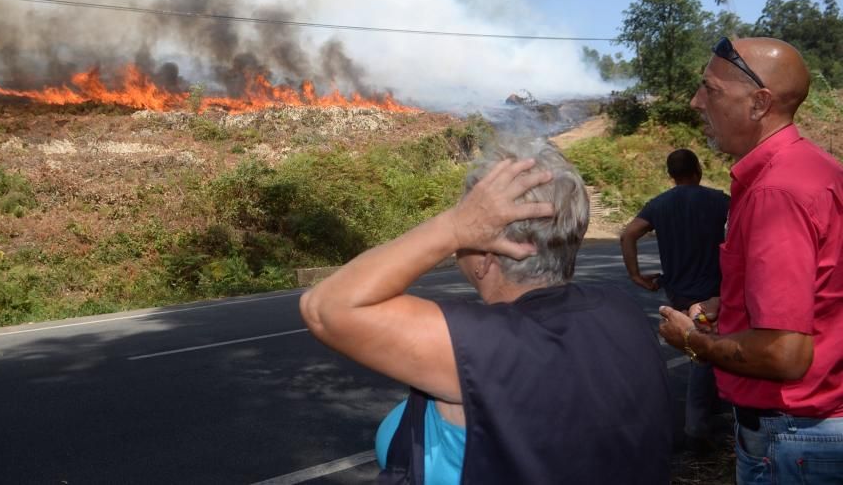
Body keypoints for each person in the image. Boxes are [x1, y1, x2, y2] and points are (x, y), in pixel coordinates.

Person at [301, 138, 672, 484]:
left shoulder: (482, 345)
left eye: (471, 220)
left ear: (485, 257)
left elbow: (324, 308)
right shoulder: (623, 313)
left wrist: (453, 227)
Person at [658, 37, 843, 485]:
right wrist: (736, 300)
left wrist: (692, 342)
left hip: (791, 440)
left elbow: (785, 354)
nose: (695, 101)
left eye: (711, 90)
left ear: (760, 103)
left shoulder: (774, 192)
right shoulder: (816, 168)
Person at [621, 148, 729, 446]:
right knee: (703, 354)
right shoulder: (718, 200)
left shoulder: (659, 205)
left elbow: (628, 234)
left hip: (678, 292)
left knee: (702, 351)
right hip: (712, 292)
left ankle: (710, 410)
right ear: (698, 170)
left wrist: (636, 275)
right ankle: (696, 427)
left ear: (671, 175)